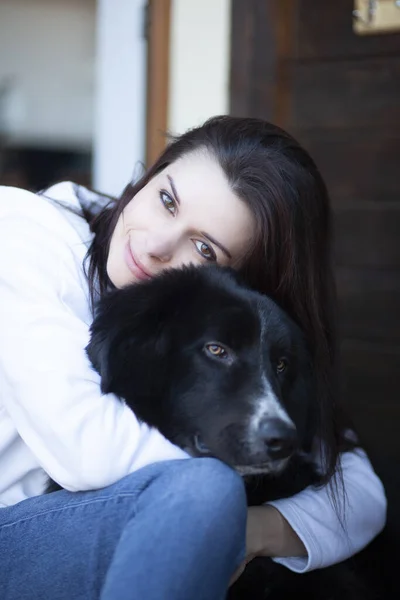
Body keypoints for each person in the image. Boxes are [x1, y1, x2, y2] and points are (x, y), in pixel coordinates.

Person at [0, 116, 386, 600]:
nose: (156, 244)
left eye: (204, 248)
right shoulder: (26, 234)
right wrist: (232, 487)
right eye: (167, 201)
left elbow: (360, 493)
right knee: (204, 490)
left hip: (82, 530)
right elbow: (88, 451)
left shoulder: (203, 316)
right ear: (150, 176)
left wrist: (256, 529)